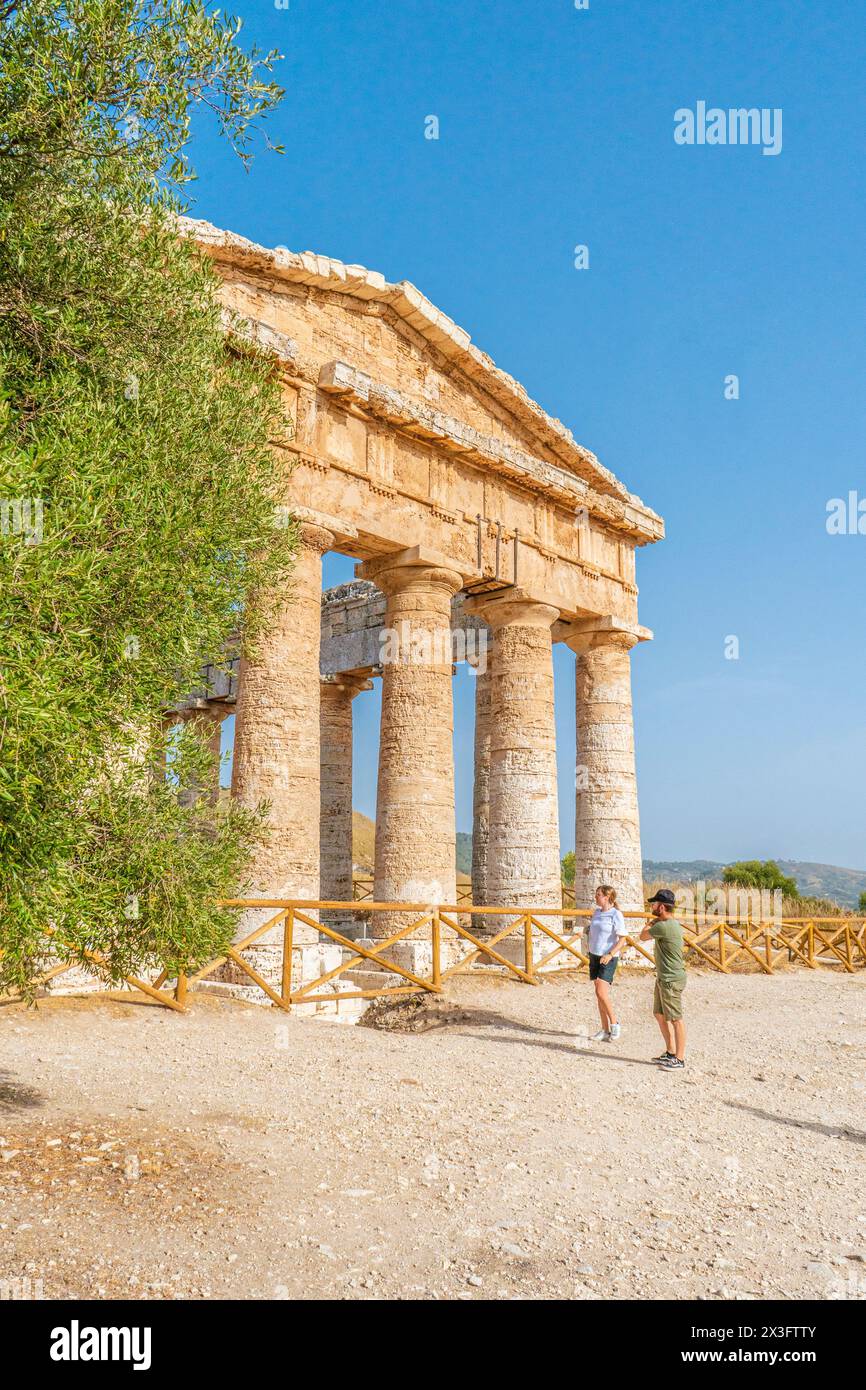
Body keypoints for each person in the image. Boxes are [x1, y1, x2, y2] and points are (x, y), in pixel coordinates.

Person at [641, 889, 687, 1070]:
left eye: (653, 904)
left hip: (671, 978)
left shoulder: (662, 926)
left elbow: (643, 935)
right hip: (664, 976)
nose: (651, 906)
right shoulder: (671, 923)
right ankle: (670, 1052)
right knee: (659, 1014)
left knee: (676, 1018)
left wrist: (651, 921)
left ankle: (680, 1059)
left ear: (661, 907)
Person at [586, 884, 627, 1041]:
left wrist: (610, 954)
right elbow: (594, 931)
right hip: (594, 956)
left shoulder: (616, 914)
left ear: (607, 897)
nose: (595, 897)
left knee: (602, 993)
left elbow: (623, 938)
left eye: (598, 894)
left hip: (608, 957)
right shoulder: (596, 913)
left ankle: (615, 1024)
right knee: (598, 994)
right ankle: (604, 1030)